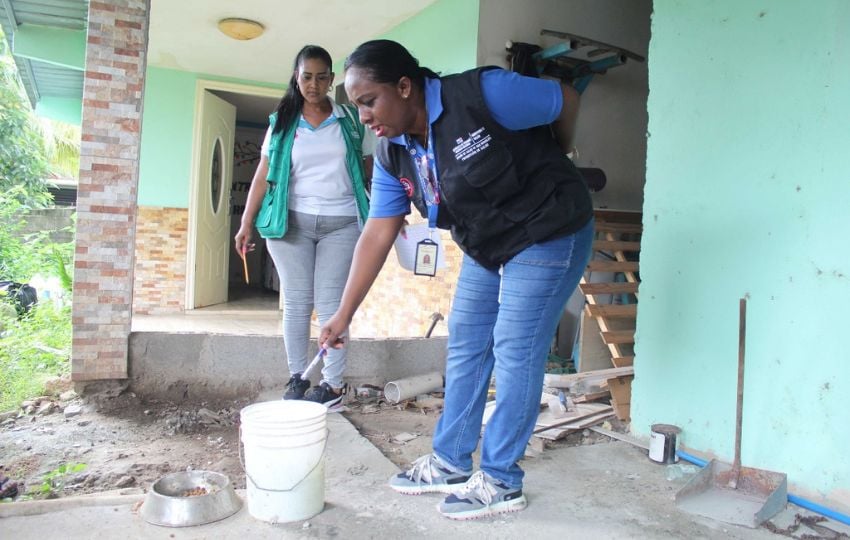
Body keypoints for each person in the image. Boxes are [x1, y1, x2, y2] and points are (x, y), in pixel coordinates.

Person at [319, 39, 595, 520]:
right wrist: (343, 315)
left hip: (549, 228)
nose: (363, 116)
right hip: (488, 243)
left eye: (369, 101)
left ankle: (502, 479)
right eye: (357, 104)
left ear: (405, 87)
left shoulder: (483, 94)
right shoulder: (392, 151)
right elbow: (378, 231)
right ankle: (450, 461)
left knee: (515, 345)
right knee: (467, 340)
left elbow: (565, 98)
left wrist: (560, 151)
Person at [235, 45, 375, 409]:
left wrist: (390, 206)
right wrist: (246, 221)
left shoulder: (349, 117)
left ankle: (332, 385)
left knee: (331, 307)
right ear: (296, 78)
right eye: (306, 76)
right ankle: (298, 376)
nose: (313, 84)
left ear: (331, 79)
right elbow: (263, 173)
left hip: (342, 223)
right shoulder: (281, 123)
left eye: (321, 76)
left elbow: (372, 163)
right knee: (297, 303)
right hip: (290, 223)